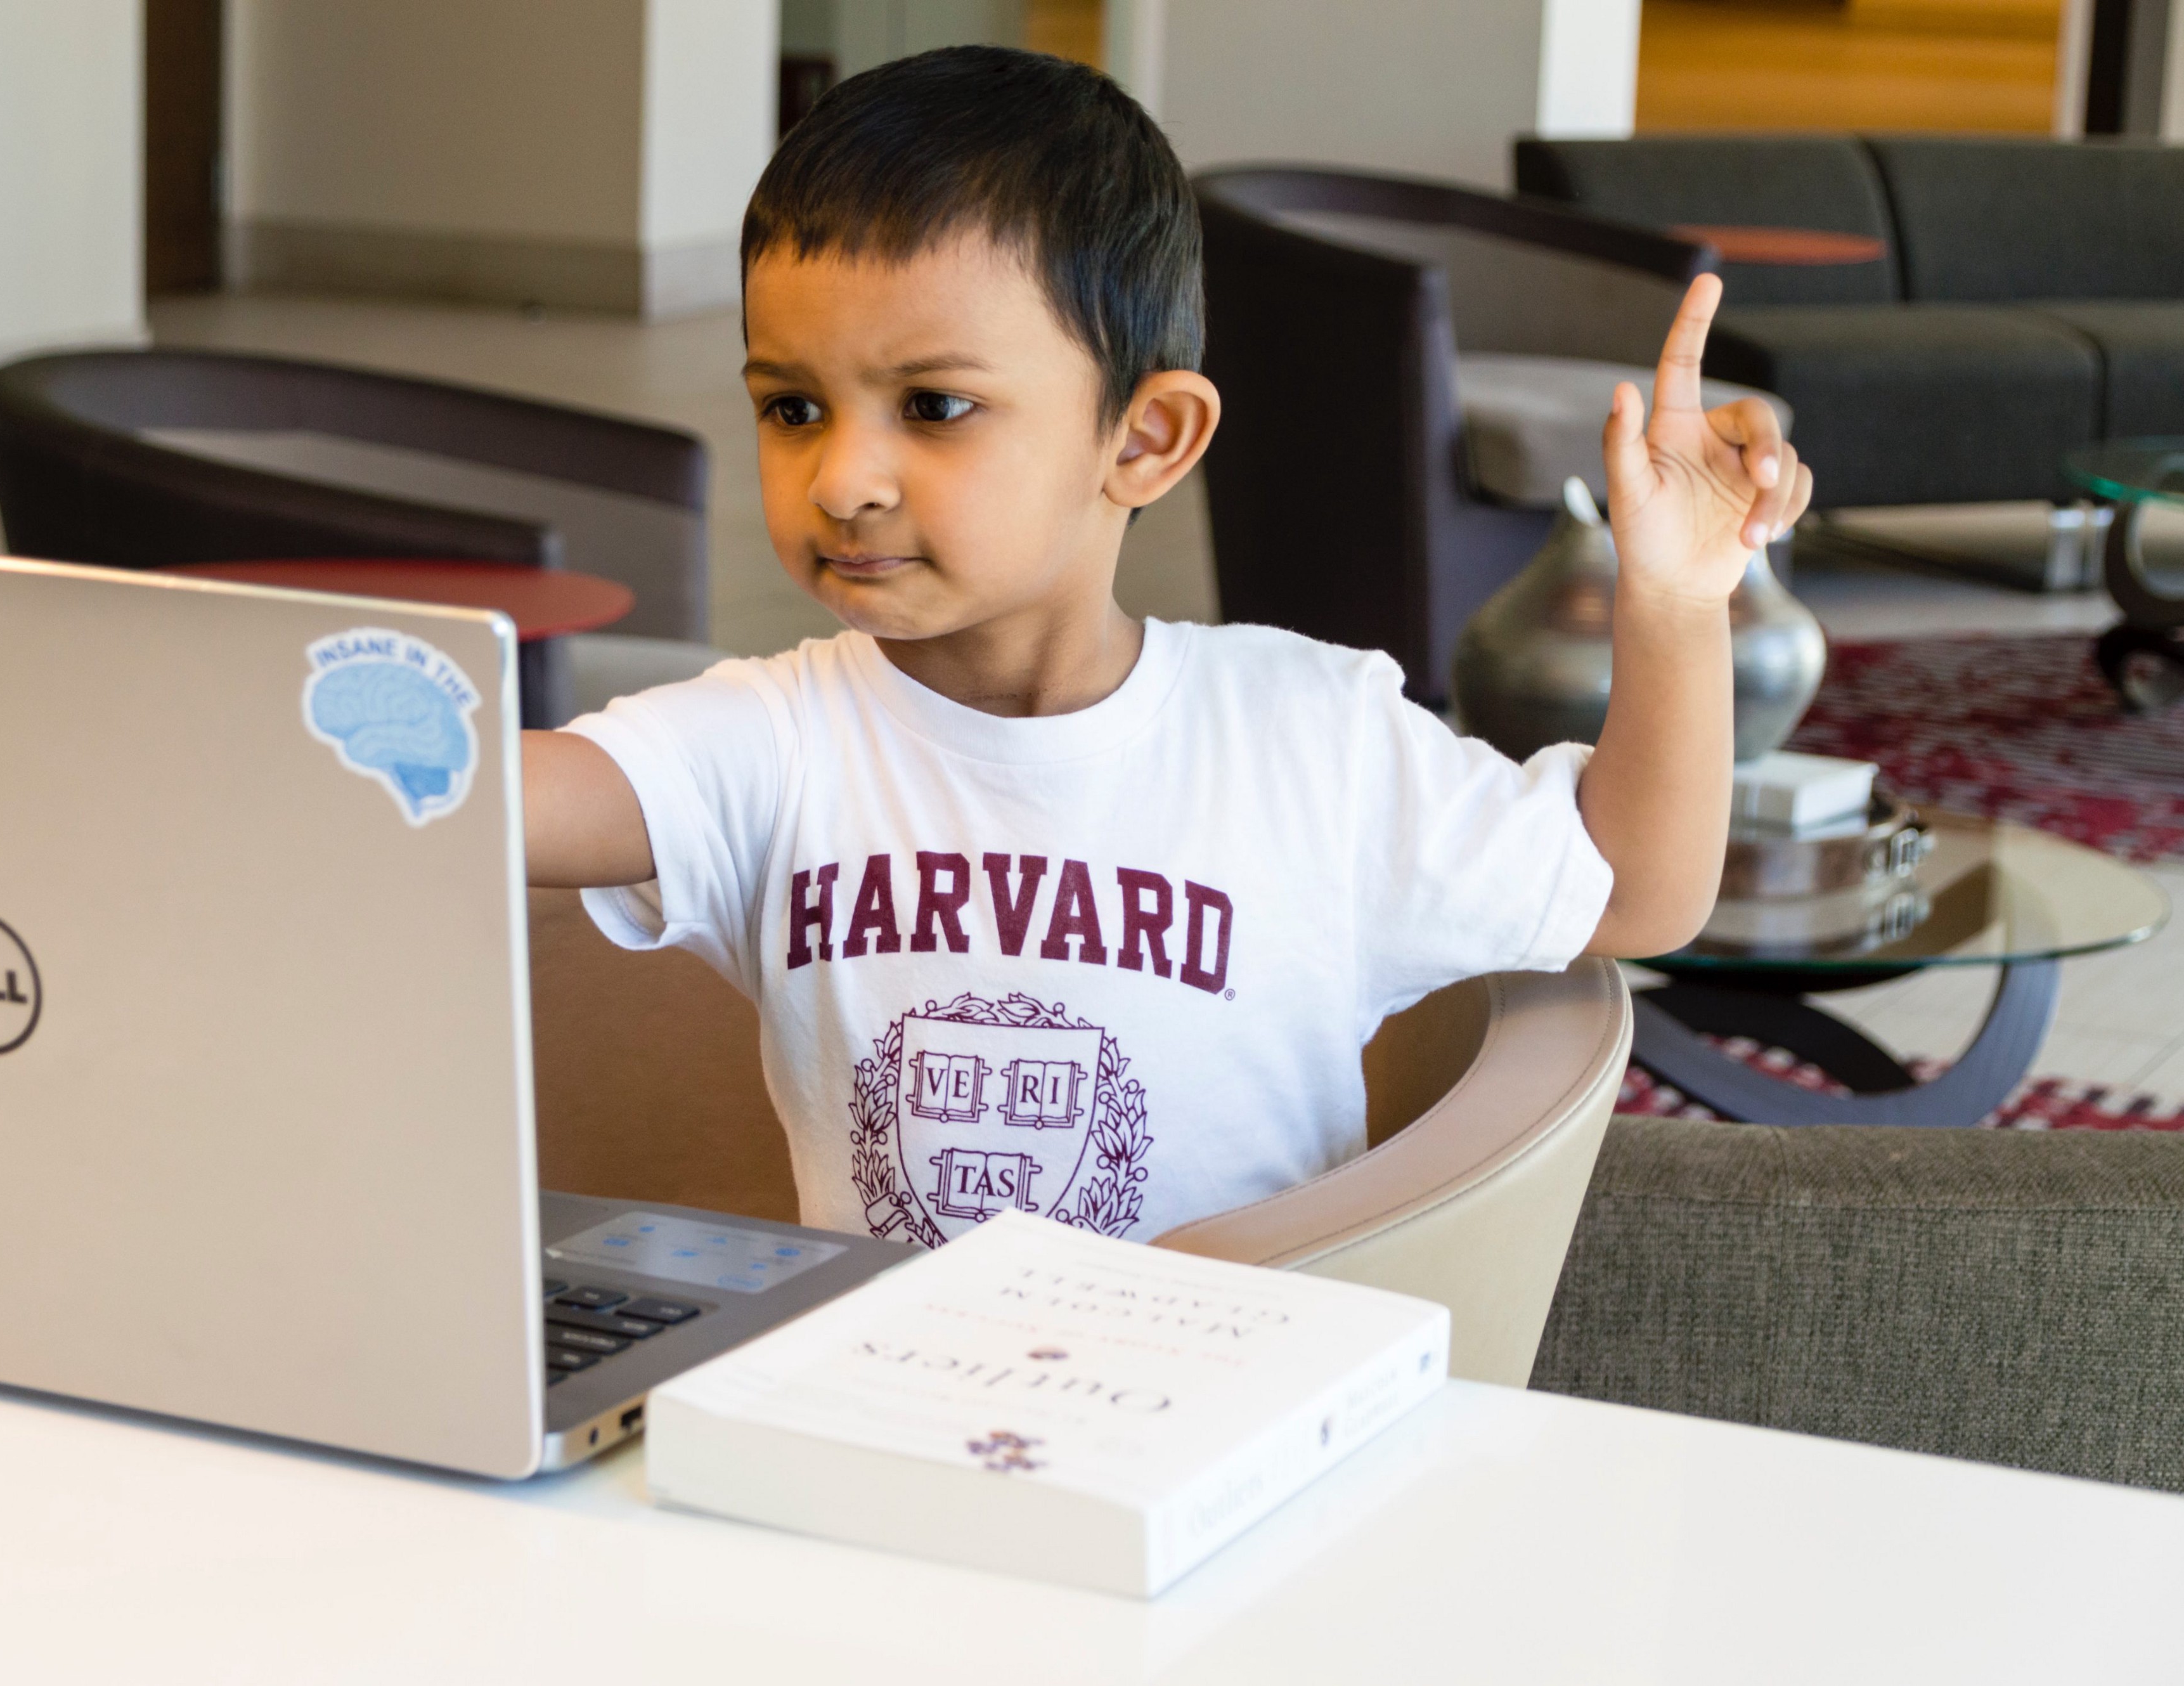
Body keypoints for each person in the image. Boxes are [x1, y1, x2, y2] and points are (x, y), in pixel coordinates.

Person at [524, 47, 1811, 1248]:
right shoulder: (766, 743)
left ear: (1142, 440)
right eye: (791, 406)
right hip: (883, 1429)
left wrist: (1677, 602)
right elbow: (487, 799)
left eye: (934, 406)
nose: (843, 477)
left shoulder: (1308, 736)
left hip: (1229, 1425)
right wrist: (364, 715)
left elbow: (1635, 889)